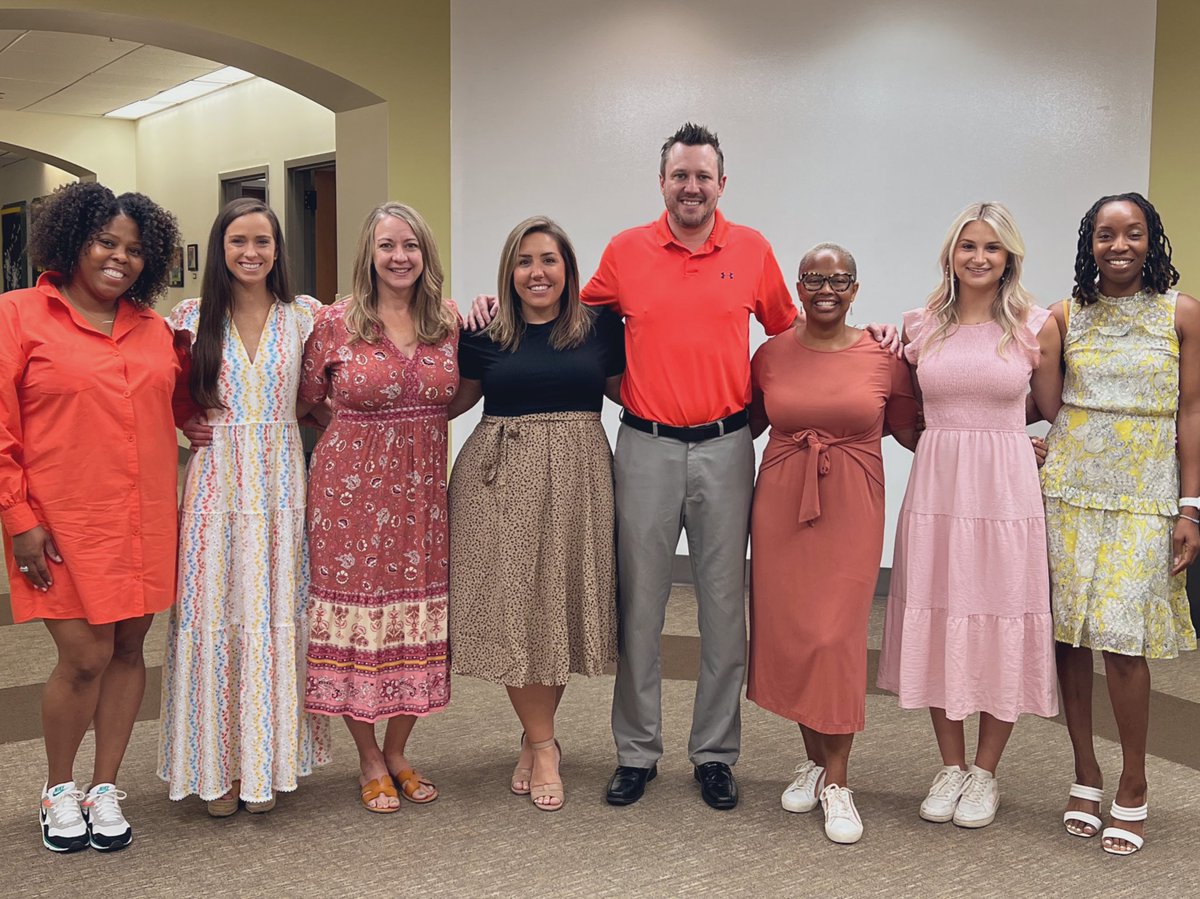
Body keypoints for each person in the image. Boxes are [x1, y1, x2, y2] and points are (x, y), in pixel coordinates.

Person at [467, 123, 895, 809]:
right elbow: (561, 310)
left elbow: (801, 331)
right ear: (661, 182)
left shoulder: (752, 249)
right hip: (646, 446)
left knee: (725, 607)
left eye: (703, 176)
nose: (691, 187)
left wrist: (869, 336)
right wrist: (490, 304)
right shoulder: (625, 252)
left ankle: (715, 754)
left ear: (721, 184)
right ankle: (636, 751)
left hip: (728, 447)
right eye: (679, 176)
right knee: (641, 604)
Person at [0, 181, 182, 852]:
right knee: (84, 655)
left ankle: (104, 785)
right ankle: (57, 787)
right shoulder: (18, 315)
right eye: (107, 241)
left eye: (135, 249)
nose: (120, 258)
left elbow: (189, 406)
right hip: (61, 521)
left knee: (131, 649)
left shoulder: (156, 329)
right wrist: (17, 516)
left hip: (145, 515)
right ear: (75, 240)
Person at [877, 201, 1062, 829]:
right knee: (942, 611)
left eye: (991, 247)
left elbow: (1057, 407)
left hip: (1007, 491)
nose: (979, 257)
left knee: (1003, 611)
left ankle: (986, 773)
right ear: (950, 255)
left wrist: (1022, 439)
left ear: (1009, 256)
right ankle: (950, 765)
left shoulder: (1036, 325)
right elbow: (904, 401)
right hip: (938, 488)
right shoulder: (919, 324)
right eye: (967, 246)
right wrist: (877, 340)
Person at [159, 198, 332, 817]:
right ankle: (217, 769)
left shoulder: (306, 316)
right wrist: (183, 422)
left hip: (284, 481)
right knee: (214, 616)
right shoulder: (188, 316)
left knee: (276, 614)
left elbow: (334, 382)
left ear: (278, 249)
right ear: (221, 248)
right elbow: (158, 387)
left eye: (263, 241)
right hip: (214, 484)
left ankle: (268, 765)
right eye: (238, 241)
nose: (251, 252)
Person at [1039, 192, 1199, 855]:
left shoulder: (1182, 314)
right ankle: (1085, 771)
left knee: (1124, 638)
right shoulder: (1063, 313)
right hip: (1071, 487)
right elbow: (1047, 403)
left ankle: (1132, 780)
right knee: (1070, 635)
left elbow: (1191, 411)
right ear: (1090, 243)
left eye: (1133, 233)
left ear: (1151, 239)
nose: (1119, 245)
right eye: (1106, 234)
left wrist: (1193, 505)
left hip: (1145, 492)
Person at [448, 216, 623, 811]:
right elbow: (451, 400)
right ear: (509, 272)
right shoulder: (484, 331)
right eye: (524, 261)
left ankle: (533, 733)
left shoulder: (600, 327)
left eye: (548, 259)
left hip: (580, 478)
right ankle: (546, 745)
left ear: (568, 269)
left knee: (559, 606)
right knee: (515, 610)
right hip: (501, 478)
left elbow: (637, 390)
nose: (536, 272)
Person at [747, 243, 919, 844]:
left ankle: (840, 783)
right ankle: (816, 763)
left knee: (834, 636)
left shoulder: (882, 356)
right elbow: (739, 425)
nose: (827, 288)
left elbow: (911, 432)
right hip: (780, 507)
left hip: (850, 505)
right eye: (815, 278)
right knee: (794, 634)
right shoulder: (769, 355)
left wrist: (996, 442)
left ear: (855, 287)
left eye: (839, 279)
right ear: (797, 284)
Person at [300, 202, 459, 812]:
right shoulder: (336, 322)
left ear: (426, 254)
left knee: (415, 617)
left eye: (411, 246)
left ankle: (398, 751)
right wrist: (361, 436)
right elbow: (307, 400)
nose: (400, 257)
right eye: (388, 245)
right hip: (350, 496)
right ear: (369, 252)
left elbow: (458, 392)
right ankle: (369, 757)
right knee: (358, 625)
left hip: (422, 494)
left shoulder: (447, 319)